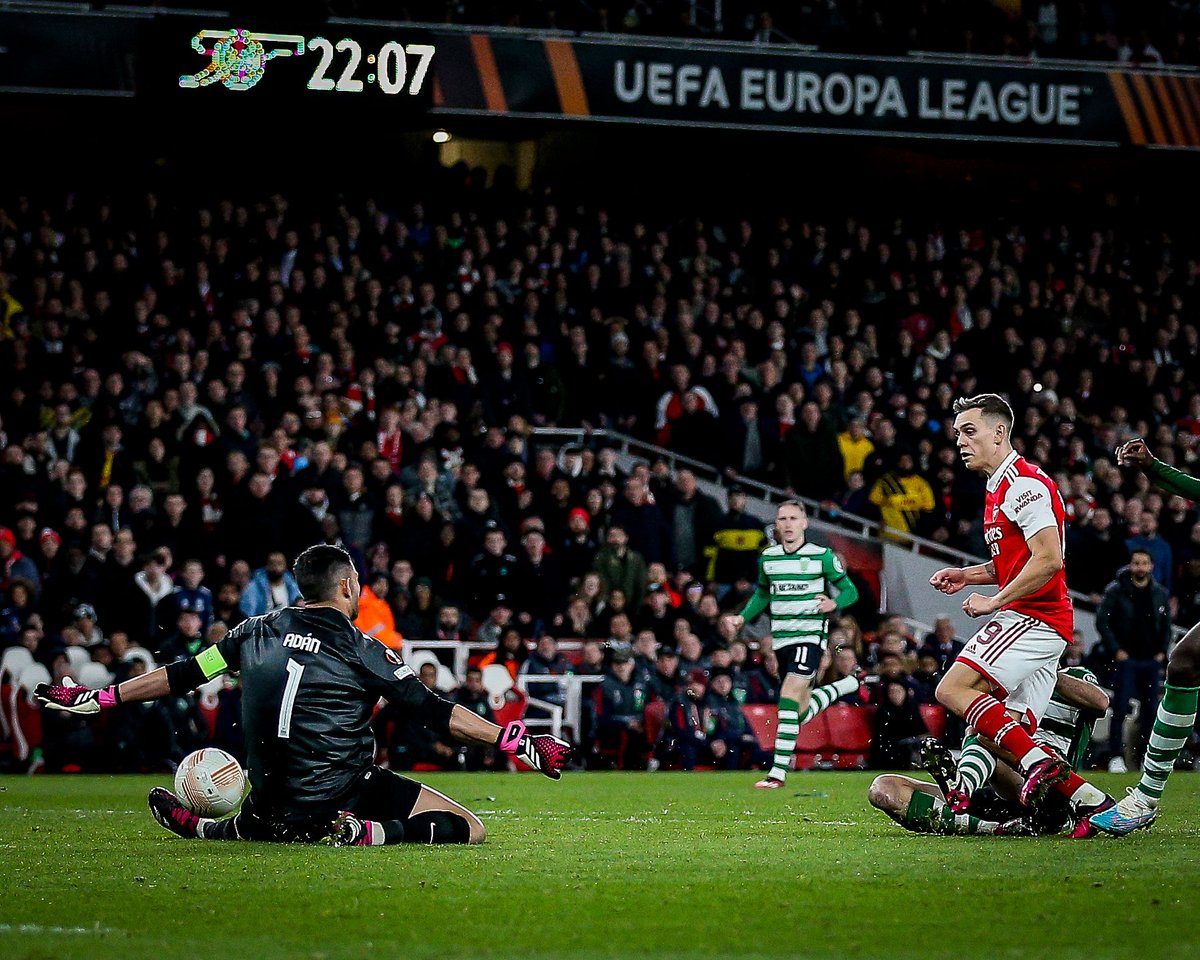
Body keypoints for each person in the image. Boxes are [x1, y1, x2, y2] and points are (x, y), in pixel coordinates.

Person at [36, 543, 571, 846]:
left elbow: (181, 675)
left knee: (271, 807)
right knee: (469, 829)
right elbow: (435, 713)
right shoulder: (365, 649)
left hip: (269, 801)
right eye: (357, 582)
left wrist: (101, 698)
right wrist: (518, 742)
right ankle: (370, 834)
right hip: (342, 794)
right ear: (344, 587)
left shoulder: (250, 632)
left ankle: (214, 829)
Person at [928, 394, 1116, 834]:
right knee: (1003, 732)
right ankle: (1094, 803)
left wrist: (994, 602)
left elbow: (1049, 560)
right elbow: (1010, 563)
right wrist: (968, 576)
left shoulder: (1025, 485)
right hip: (1038, 622)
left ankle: (1036, 765)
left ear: (999, 432)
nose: (960, 441)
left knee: (953, 689)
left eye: (969, 431)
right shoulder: (998, 488)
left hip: (1034, 618)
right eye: (957, 433)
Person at [1081, 438, 1200, 834]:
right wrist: (1152, 466)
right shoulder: (1122, 590)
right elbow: (1193, 487)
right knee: (1184, 663)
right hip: (1133, 657)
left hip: (1146, 657)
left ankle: (1145, 798)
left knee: (1185, 662)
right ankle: (1144, 798)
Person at [869, 667, 1109, 836]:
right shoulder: (1005, 681)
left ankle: (960, 788)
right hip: (998, 785)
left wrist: (1042, 668)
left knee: (984, 732)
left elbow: (1100, 702)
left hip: (1049, 791)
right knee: (884, 789)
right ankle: (993, 824)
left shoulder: (1072, 675)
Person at [723, 500, 860, 789]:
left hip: (809, 638)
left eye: (793, 518)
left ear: (804, 523)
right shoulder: (768, 558)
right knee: (798, 712)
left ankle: (778, 774)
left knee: (786, 697)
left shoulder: (822, 556)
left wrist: (833, 602)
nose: (787, 524)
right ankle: (844, 686)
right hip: (782, 640)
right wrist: (741, 618)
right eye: (782, 518)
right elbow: (762, 594)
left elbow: (851, 590)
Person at [1095, 549, 1171, 772]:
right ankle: (1116, 757)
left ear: (1151, 566)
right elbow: (1103, 621)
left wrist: (1161, 651)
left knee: (1151, 711)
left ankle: (1149, 758)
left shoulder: (1159, 593)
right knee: (1119, 709)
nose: (1140, 567)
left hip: (1150, 659)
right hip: (1126, 659)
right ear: (1131, 565)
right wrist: (1116, 649)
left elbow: (1166, 625)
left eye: (1144, 563)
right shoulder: (1116, 590)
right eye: (1136, 563)